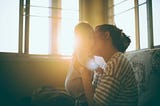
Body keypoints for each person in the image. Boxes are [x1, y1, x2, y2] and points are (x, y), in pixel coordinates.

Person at [75, 24, 138, 106]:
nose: (90, 42)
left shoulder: (116, 63)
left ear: (106, 36)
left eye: (93, 37)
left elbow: (95, 104)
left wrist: (84, 73)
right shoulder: (104, 63)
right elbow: (93, 94)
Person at [65, 22, 95, 106]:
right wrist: (98, 67)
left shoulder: (83, 50)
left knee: (80, 99)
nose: (91, 40)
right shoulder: (81, 50)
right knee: (84, 98)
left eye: (92, 37)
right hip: (75, 83)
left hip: (74, 82)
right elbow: (86, 63)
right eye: (88, 37)